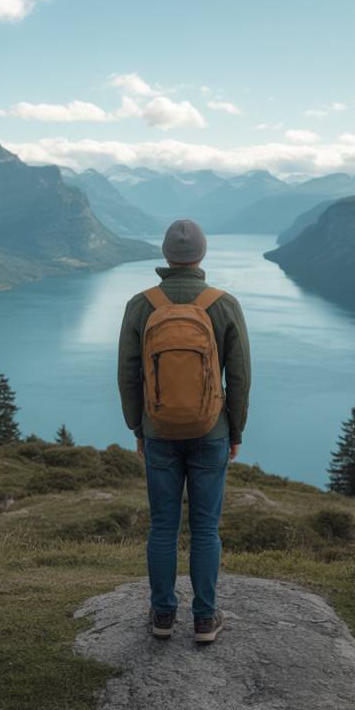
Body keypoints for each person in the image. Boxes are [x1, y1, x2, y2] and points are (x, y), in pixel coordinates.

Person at [117, 219, 251, 644]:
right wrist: (236, 431)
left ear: (165, 255)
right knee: (206, 528)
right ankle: (205, 619)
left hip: (158, 430)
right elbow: (241, 376)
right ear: (202, 255)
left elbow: (127, 373)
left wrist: (138, 425)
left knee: (163, 527)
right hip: (211, 429)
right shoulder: (224, 304)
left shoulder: (142, 305)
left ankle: (161, 616)